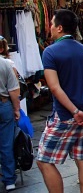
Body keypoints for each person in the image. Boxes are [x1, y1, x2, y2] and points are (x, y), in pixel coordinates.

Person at [36, 9, 83, 193]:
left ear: (60, 28)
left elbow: (54, 87)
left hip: (66, 114)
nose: (50, 28)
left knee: (44, 160)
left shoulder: (50, 52)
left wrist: (74, 111)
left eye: (52, 24)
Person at [0, 47, 20, 191]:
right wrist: (16, 109)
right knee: (6, 143)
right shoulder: (6, 63)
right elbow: (14, 90)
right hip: (3, 103)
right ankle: (9, 180)